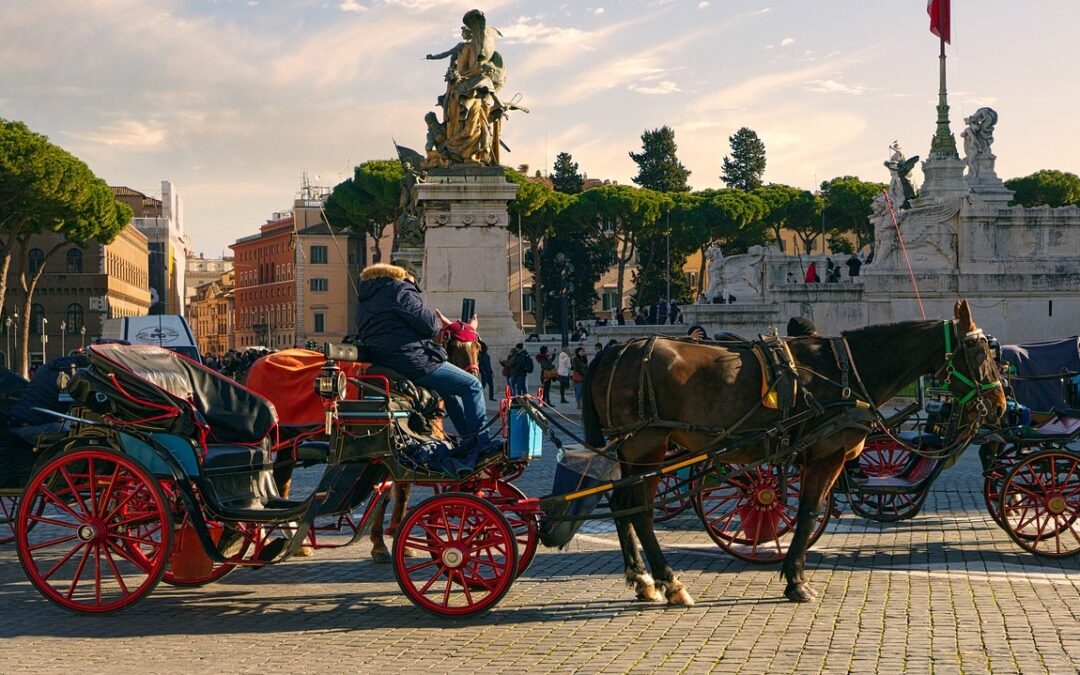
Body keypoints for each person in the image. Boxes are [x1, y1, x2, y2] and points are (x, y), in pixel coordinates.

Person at [355, 260, 488, 448]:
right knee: (472, 385)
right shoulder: (401, 289)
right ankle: (480, 442)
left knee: (449, 393)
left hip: (383, 361)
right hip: (412, 360)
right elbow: (430, 326)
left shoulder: (365, 298)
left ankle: (468, 440)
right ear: (406, 275)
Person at [8, 353, 89, 445]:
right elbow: (73, 403)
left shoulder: (51, 367)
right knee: (76, 435)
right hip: (31, 427)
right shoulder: (69, 375)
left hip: (21, 422)